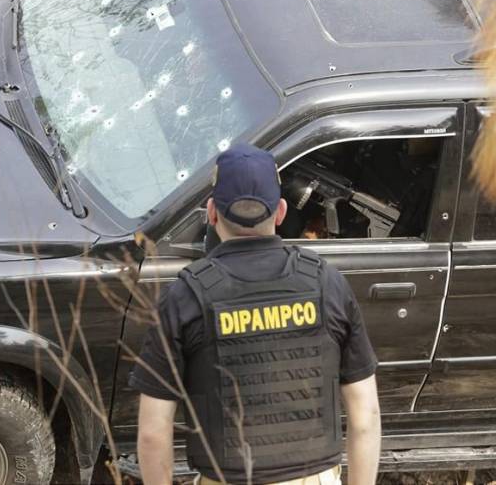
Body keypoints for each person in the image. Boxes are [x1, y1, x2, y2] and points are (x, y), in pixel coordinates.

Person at [129, 144, 381, 485]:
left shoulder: (185, 295)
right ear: (279, 213)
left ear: (212, 213)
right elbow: (365, 417)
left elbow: (152, 434)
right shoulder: (327, 284)